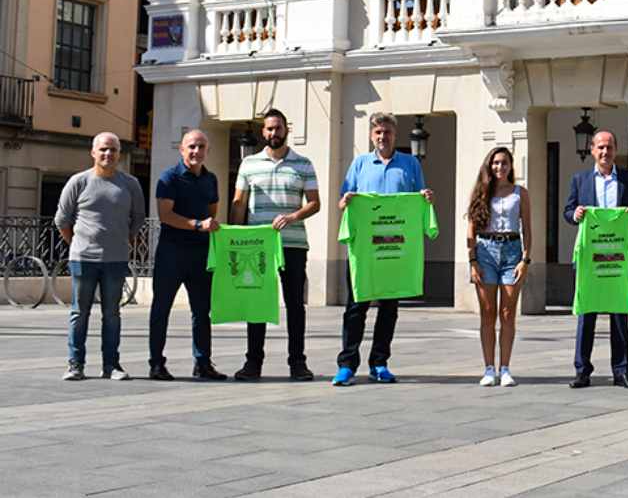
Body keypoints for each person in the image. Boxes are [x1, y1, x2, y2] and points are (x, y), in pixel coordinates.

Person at [333, 113, 434, 386]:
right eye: (378, 132)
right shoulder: (359, 164)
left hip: (396, 250)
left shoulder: (410, 164)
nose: (382, 136)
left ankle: (379, 362)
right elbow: (342, 202)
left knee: (389, 308)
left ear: (394, 134)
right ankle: (347, 364)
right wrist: (346, 201)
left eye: (387, 132)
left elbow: (420, 200)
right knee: (356, 307)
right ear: (371, 135)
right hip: (365, 250)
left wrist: (425, 198)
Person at [231, 109, 320, 381]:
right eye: (269, 129)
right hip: (258, 247)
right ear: (263, 132)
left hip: (293, 245)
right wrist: (236, 240)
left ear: (286, 130)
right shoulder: (249, 164)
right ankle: (253, 363)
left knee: (295, 305)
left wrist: (293, 216)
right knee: (257, 305)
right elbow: (239, 205)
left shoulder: (303, 164)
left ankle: (298, 363)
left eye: (278, 128)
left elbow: (315, 203)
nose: (274, 133)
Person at [55, 132, 146, 381]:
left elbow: (138, 218)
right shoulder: (78, 181)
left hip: (116, 261)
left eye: (113, 150)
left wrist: (125, 240)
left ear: (119, 154)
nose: (108, 154)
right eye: (103, 149)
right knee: (78, 313)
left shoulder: (131, 184)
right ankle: (75, 365)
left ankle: (112, 366)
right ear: (93, 152)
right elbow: (62, 219)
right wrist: (77, 243)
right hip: (83, 259)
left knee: (112, 314)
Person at [563, 129, 628, 389]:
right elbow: (567, 211)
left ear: (616, 149)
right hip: (591, 257)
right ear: (592, 150)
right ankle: (582, 370)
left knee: (619, 314)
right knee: (586, 312)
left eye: (609, 147)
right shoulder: (580, 180)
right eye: (600, 147)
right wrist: (575, 214)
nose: (605, 152)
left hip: (619, 257)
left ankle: (621, 371)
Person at [148, 130, 226, 381]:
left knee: (202, 312)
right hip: (171, 253)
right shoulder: (168, 178)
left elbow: (212, 213)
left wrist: (206, 226)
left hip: (201, 255)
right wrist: (196, 224)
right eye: (191, 146)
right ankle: (157, 364)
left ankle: (203, 363)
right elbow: (165, 215)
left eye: (201, 147)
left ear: (207, 151)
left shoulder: (211, 179)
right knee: (161, 310)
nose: (196, 151)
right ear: (182, 150)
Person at [467, 146, 532, 387]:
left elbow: (528, 228)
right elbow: (471, 229)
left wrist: (525, 259)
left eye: (504, 163)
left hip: (512, 251)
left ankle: (505, 368)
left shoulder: (520, 193)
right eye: (495, 163)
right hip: (485, 251)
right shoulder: (481, 192)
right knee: (487, 312)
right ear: (489, 165)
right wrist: (472, 260)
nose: (499, 167)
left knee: (507, 313)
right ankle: (488, 368)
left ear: (511, 166)